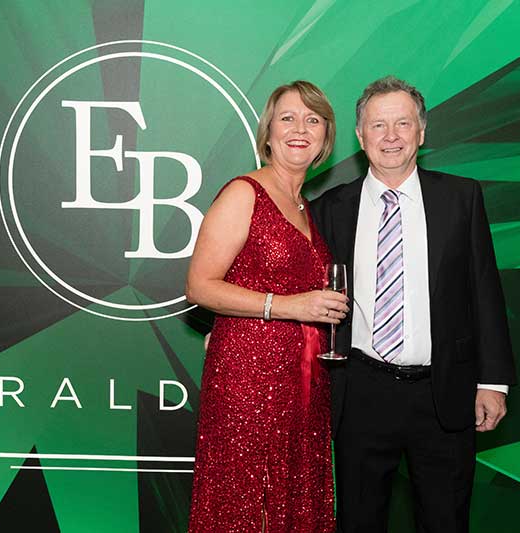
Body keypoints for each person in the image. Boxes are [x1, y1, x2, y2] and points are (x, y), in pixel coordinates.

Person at [310, 76, 517, 533]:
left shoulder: (461, 197)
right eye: (378, 125)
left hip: (444, 391)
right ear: (360, 135)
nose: (391, 136)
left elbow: (485, 290)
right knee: (359, 522)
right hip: (360, 392)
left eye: (403, 123)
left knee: (445, 521)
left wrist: (493, 381)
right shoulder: (329, 208)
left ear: (421, 132)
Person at [185, 80, 348, 533]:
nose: (300, 129)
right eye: (287, 118)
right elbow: (199, 286)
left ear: (326, 137)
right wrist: (288, 306)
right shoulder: (244, 193)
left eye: (313, 120)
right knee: (246, 502)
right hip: (248, 378)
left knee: (293, 501)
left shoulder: (306, 207)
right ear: (268, 133)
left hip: (305, 381)